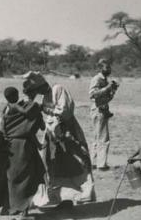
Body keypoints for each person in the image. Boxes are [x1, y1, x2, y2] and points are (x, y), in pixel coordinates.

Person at [22, 71, 96, 206]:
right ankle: (56, 195)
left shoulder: (58, 89)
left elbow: (65, 111)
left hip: (67, 130)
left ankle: (85, 193)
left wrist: (47, 110)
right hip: (52, 132)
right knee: (52, 162)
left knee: (78, 159)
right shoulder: (45, 96)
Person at [1, 86, 46, 220]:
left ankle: (10, 208)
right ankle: (23, 213)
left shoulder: (5, 108)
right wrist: (38, 107)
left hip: (9, 144)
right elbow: (36, 126)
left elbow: (3, 125)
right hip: (23, 146)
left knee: (12, 178)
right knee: (27, 177)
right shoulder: (26, 107)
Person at [89, 58, 119, 170]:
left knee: (97, 137)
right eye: (107, 67)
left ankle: (92, 162)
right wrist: (107, 88)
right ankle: (101, 164)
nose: (109, 69)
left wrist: (113, 90)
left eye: (109, 67)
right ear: (100, 68)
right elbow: (92, 95)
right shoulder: (97, 79)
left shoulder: (104, 80)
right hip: (98, 110)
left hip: (101, 110)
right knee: (103, 138)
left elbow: (106, 98)